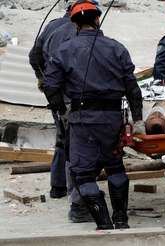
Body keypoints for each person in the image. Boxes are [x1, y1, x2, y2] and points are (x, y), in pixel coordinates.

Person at [43, 0, 144, 230]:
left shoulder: (64, 50)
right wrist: (137, 120)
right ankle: (121, 219)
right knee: (115, 166)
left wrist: (62, 111)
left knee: (83, 175)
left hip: (81, 120)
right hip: (112, 119)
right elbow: (132, 87)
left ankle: (104, 224)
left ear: (74, 23)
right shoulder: (117, 48)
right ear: (97, 19)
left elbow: (50, 86)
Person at [28, 0, 75, 199]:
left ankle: (58, 188)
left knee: (61, 139)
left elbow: (33, 56)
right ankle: (77, 194)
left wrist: (42, 79)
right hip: (73, 96)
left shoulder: (52, 25)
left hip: (54, 94)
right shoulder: (80, 30)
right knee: (75, 142)